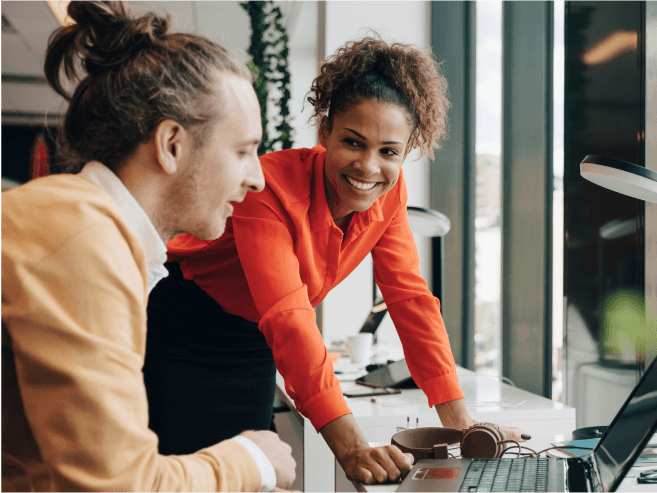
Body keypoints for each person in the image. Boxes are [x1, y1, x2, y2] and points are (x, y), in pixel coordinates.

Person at [144, 36, 528, 484]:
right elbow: (288, 314)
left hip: (251, 339)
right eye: (353, 142)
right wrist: (351, 445)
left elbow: (409, 299)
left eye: (389, 152)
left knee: (247, 475)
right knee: (180, 475)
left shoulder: (390, 195)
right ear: (324, 132)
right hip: (181, 323)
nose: (368, 167)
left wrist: (462, 424)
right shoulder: (267, 187)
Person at [0, 0, 297, 491]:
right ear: (172, 145)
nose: (257, 179)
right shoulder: (81, 239)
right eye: (243, 151)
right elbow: (117, 485)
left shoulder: (87, 228)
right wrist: (253, 459)